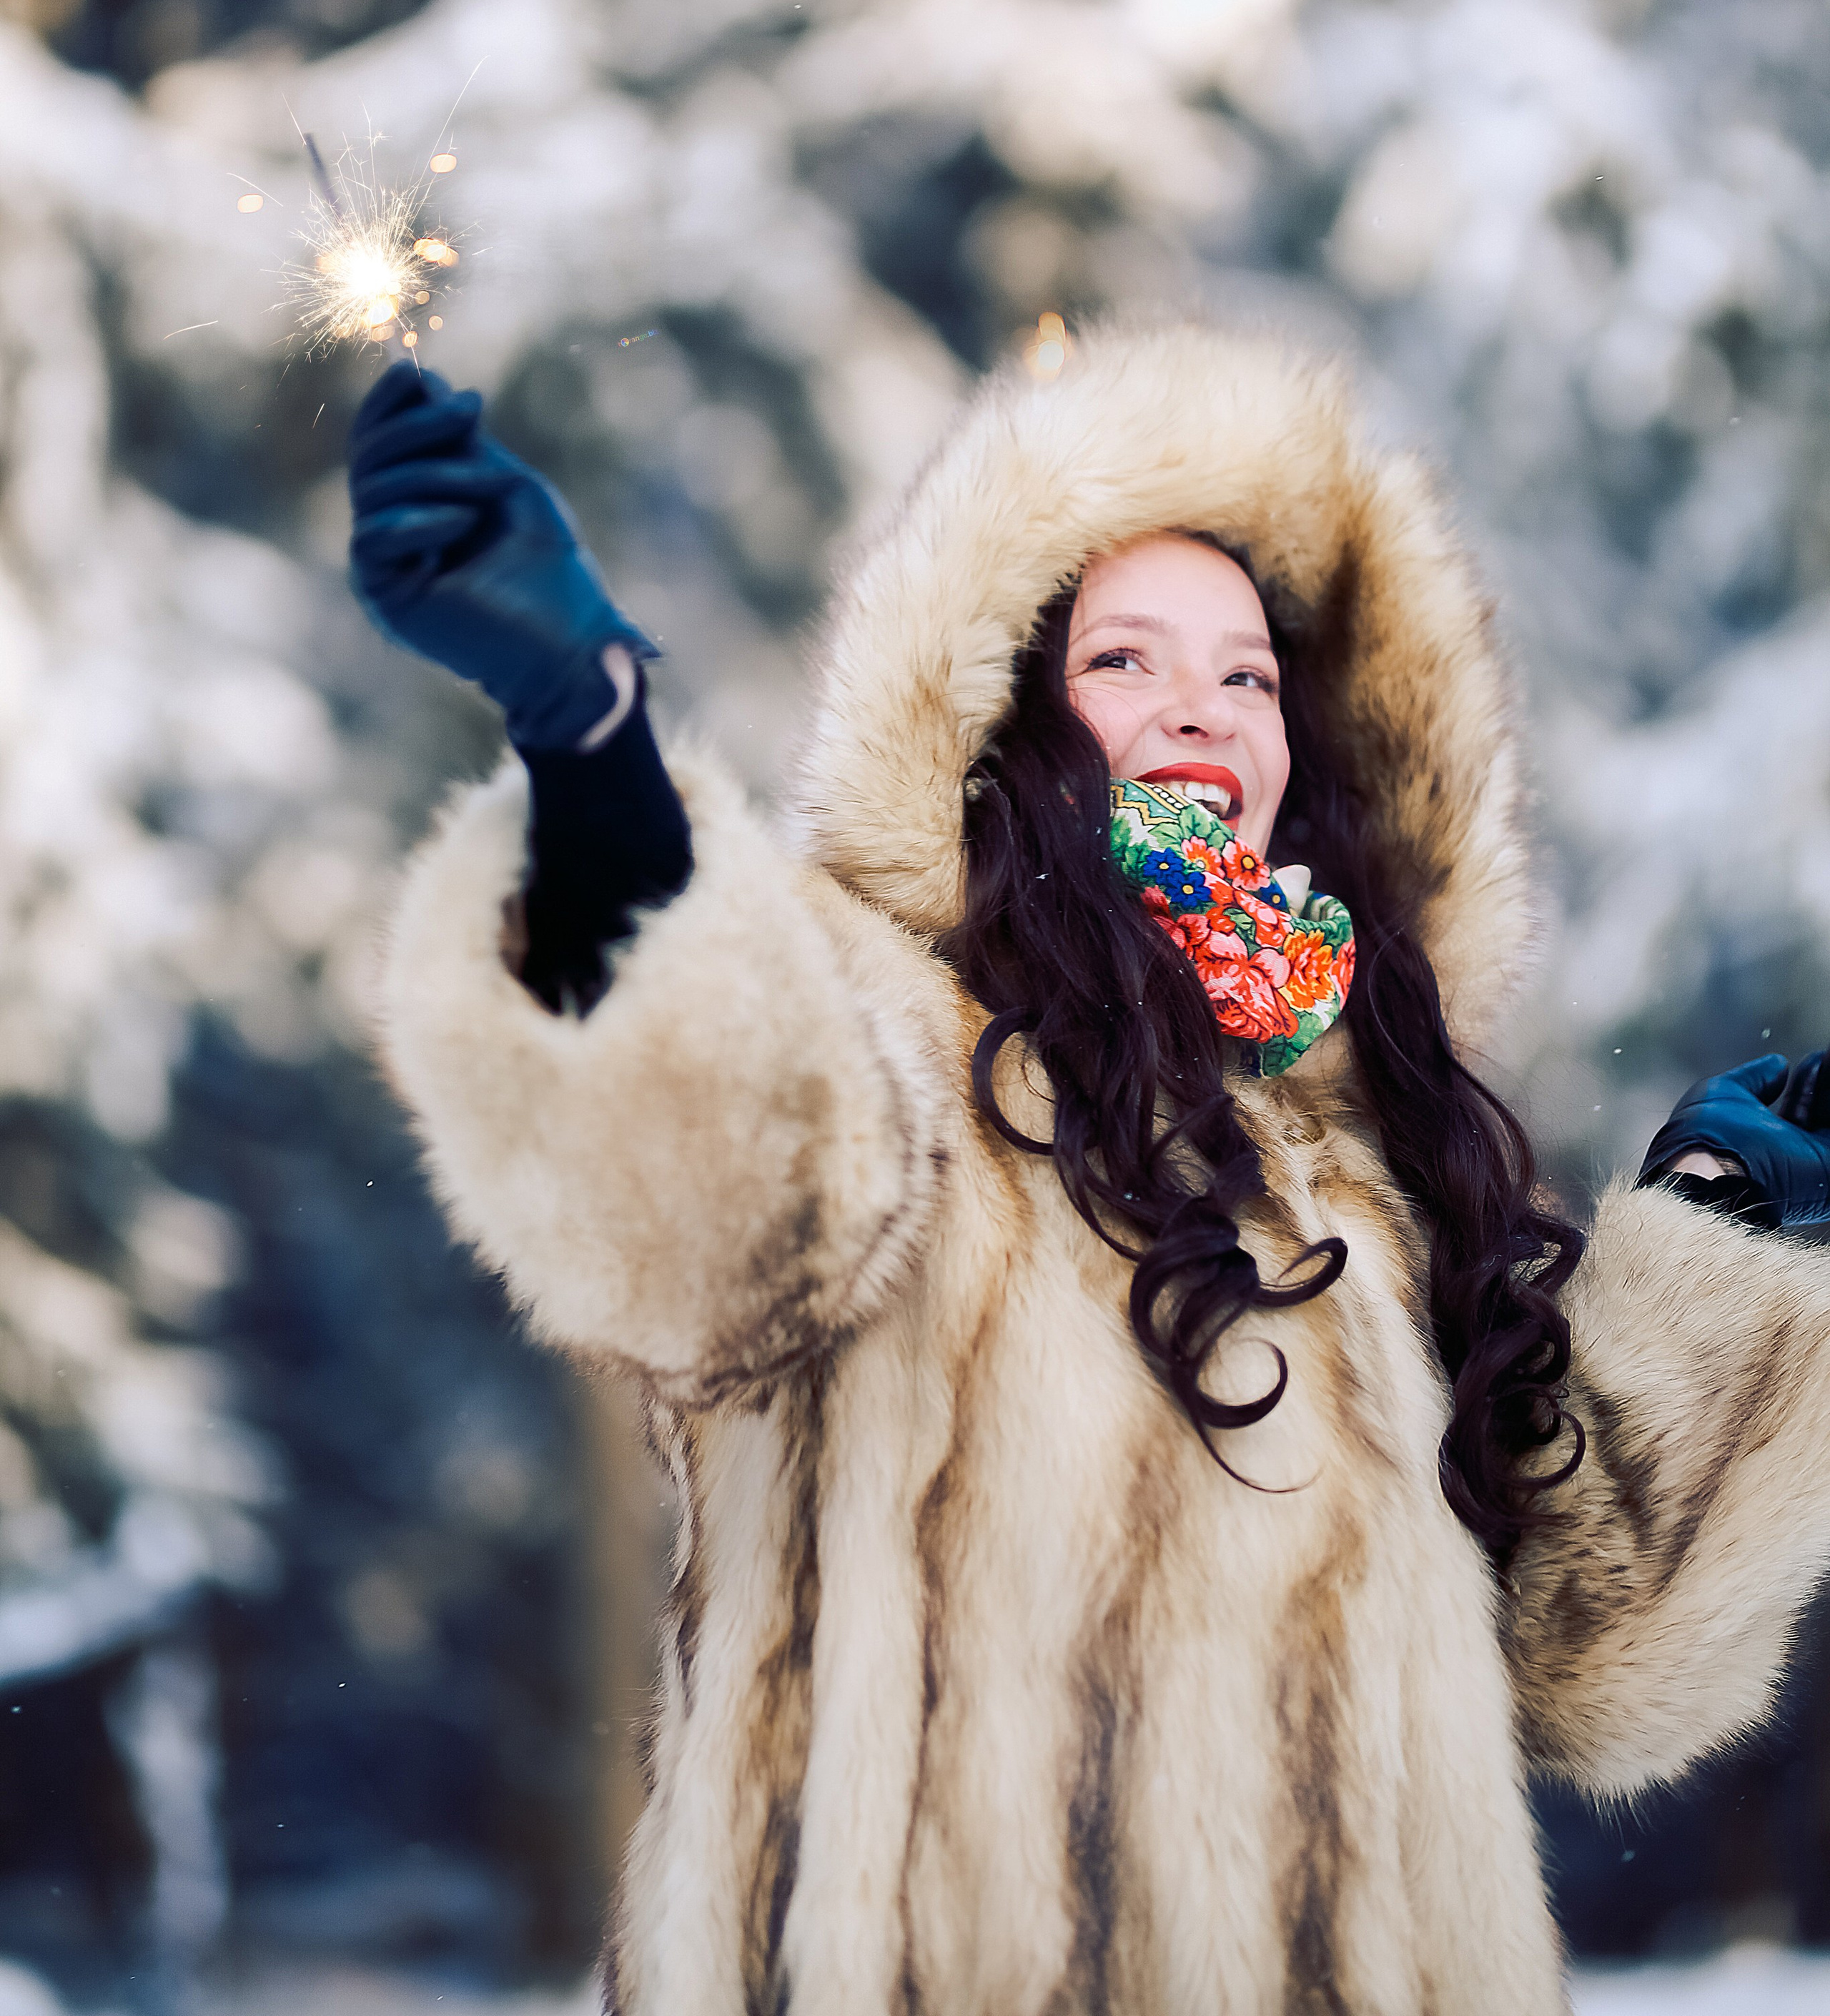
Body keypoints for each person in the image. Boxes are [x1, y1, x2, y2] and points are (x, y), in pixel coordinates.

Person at [353, 322, 1830, 2015]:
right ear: (1003, 726)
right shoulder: (888, 1048)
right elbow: (692, 1167)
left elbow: (1596, 1664)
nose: (1202, 703)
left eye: (1250, 672)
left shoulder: (1376, 1154)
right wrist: (594, 748)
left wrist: (1724, 1232)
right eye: (1123, 660)